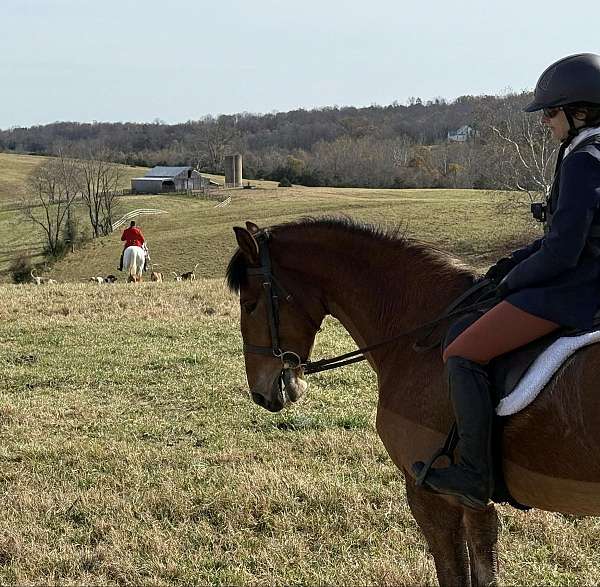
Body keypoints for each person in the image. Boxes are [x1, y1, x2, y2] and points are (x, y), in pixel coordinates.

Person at [413, 53, 600, 510]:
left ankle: (475, 473)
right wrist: (509, 262)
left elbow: (561, 253)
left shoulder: (584, 161)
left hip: (576, 290)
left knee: (462, 351)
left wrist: (511, 281)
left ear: (580, 111)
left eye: (551, 113)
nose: (545, 123)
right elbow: (563, 235)